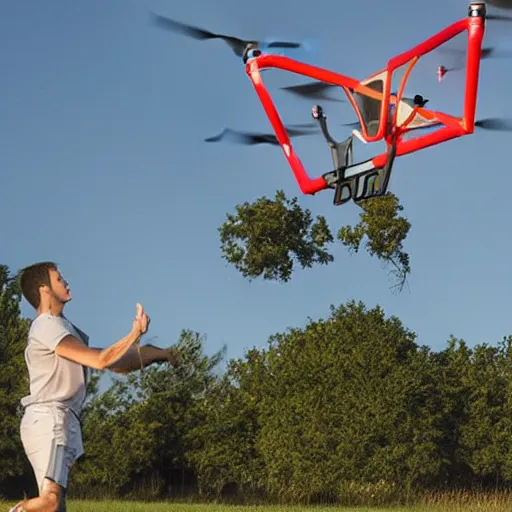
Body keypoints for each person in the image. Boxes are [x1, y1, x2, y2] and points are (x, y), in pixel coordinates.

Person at [9, 261, 179, 512]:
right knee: (50, 502)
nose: (66, 282)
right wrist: (134, 333)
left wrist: (158, 354)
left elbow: (114, 360)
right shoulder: (46, 325)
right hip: (49, 419)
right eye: (59, 278)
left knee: (56, 507)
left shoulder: (64, 328)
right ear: (44, 289)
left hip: (61, 420)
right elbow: (100, 361)